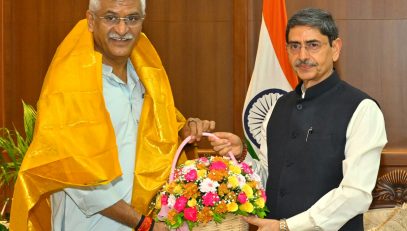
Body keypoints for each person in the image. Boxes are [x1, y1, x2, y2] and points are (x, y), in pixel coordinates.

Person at [9, 0, 215, 230]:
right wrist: (143, 223)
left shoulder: (147, 79)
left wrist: (183, 133)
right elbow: (77, 176)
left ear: (142, 23)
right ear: (90, 21)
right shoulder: (73, 86)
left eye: (132, 18)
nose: (122, 29)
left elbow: (154, 145)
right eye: (111, 18)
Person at [209, 8, 387, 231]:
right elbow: (267, 177)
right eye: (295, 46)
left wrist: (287, 226)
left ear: (335, 49)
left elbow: (356, 194)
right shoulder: (277, 107)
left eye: (313, 45)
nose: (303, 56)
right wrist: (241, 155)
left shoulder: (362, 109)